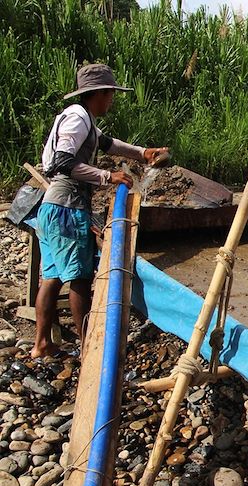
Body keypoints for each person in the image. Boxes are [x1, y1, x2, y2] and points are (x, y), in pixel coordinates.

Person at [32, 63, 169, 358]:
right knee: (80, 278)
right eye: (111, 95)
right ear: (100, 93)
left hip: (52, 208)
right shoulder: (78, 119)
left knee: (53, 277)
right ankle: (89, 348)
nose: (112, 101)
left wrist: (142, 153)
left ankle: (41, 344)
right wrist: (108, 177)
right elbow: (61, 162)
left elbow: (107, 144)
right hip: (68, 208)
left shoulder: (83, 119)